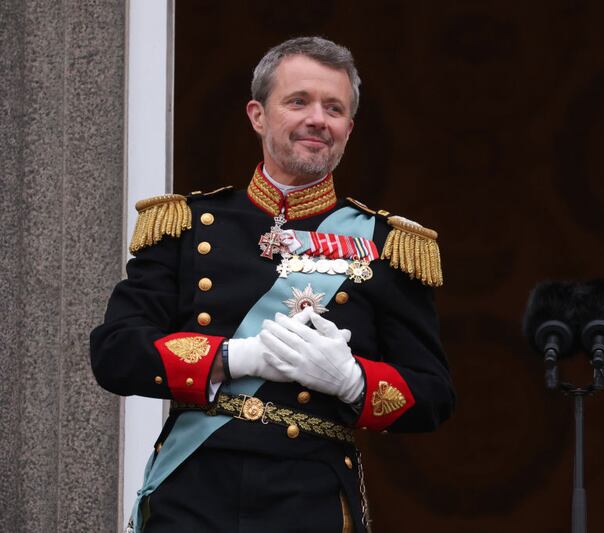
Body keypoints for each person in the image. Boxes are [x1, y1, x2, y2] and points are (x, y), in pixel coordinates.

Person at [90, 36, 455, 533]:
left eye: (334, 108)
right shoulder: (187, 224)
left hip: (310, 499)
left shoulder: (388, 245)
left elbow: (433, 394)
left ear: (349, 129)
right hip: (193, 493)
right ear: (257, 115)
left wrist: (354, 381)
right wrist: (234, 357)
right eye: (298, 101)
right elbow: (115, 352)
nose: (318, 120)